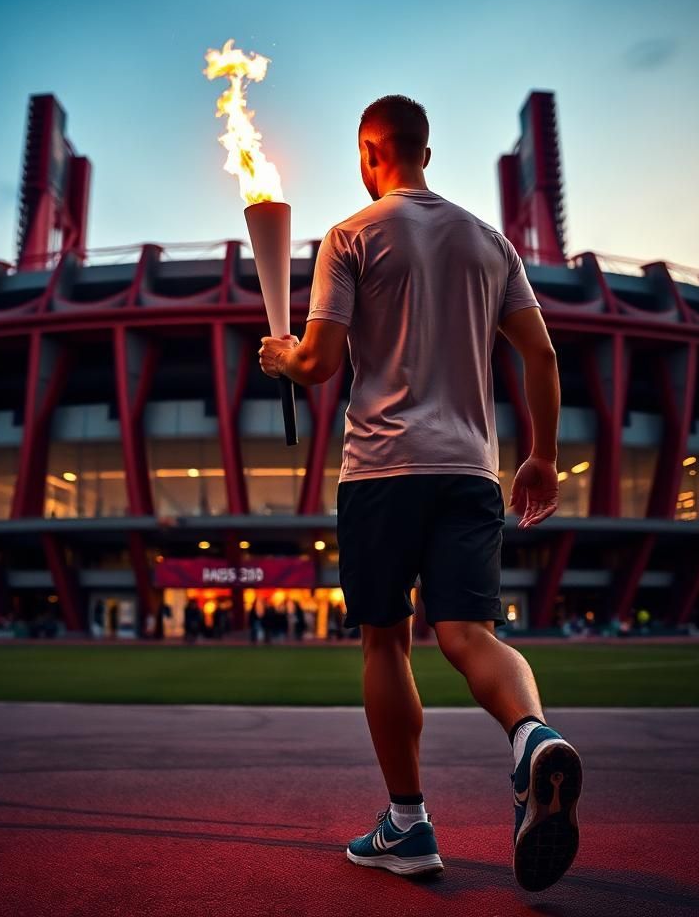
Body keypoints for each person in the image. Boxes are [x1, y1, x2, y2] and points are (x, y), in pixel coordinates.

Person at [258, 95, 582, 893]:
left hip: (383, 469)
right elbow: (541, 355)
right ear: (425, 153)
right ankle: (532, 736)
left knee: (385, 641)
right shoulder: (489, 241)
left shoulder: (351, 235)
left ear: (370, 153)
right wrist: (540, 457)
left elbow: (323, 361)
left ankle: (407, 824)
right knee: (468, 633)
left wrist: (282, 358)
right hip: (471, 468)